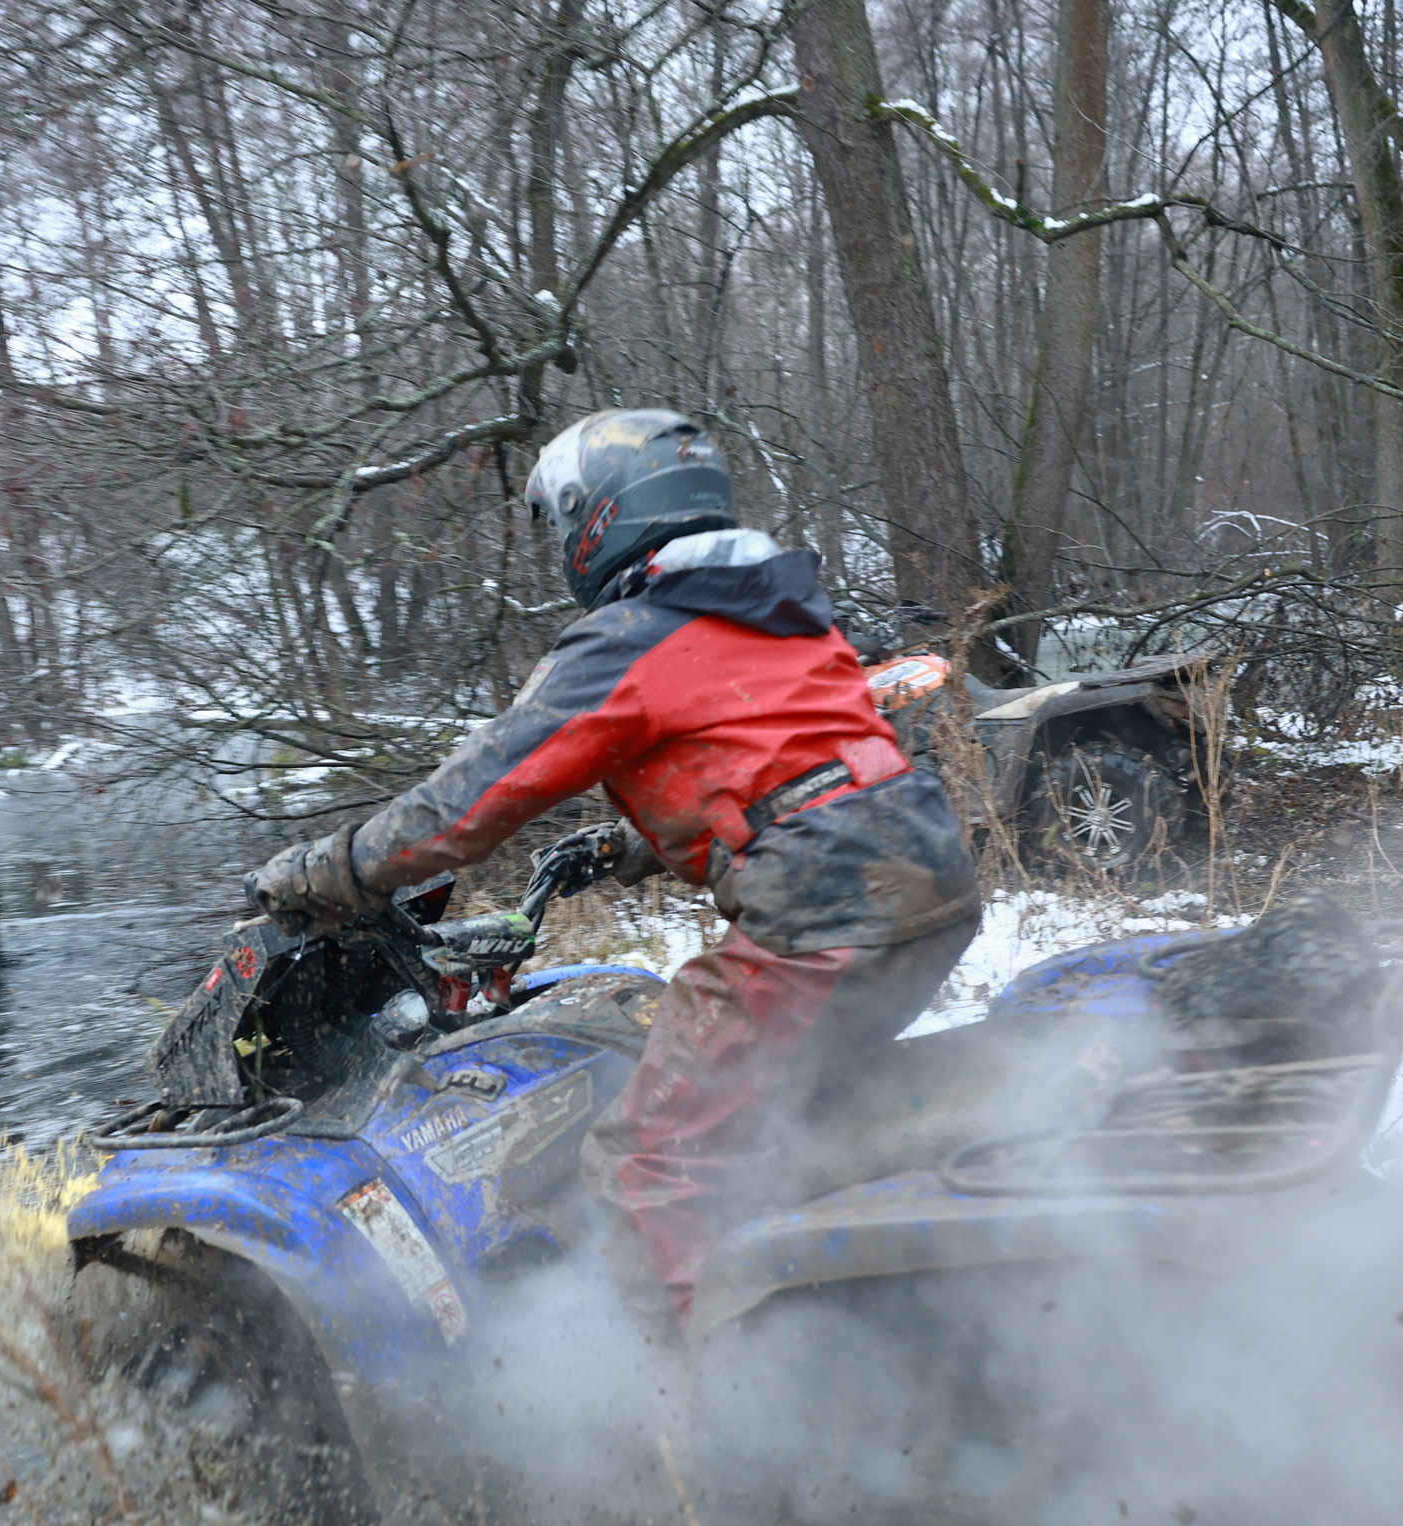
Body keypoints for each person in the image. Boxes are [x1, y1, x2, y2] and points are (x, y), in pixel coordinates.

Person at [246, 408, 981, 1317]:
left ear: (599, 518)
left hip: (823, 921)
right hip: (932, 895)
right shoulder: (776, 610)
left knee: (647, 1162)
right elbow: (798, 764)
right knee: (780, 1112)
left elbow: (463, 807)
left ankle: (705, 1413)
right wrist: (627, 845)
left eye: (563, 525)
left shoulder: (631, 636)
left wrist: (331, 870)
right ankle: (843, 1305)